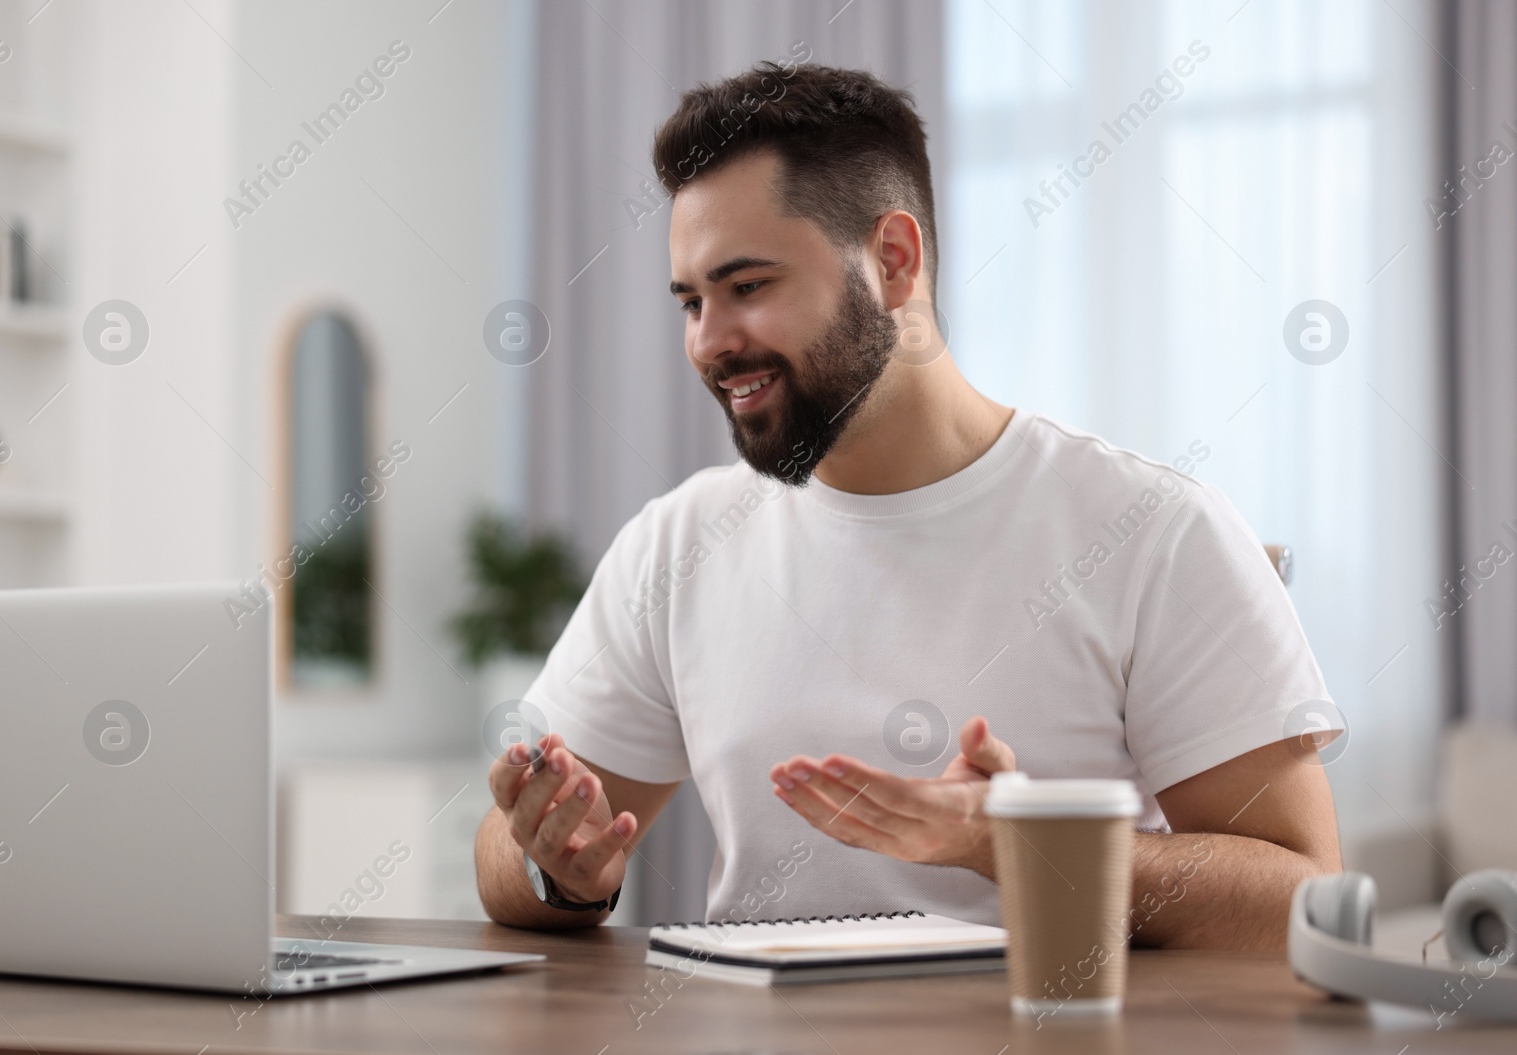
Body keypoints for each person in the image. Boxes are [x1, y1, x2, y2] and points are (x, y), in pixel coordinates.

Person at [474, 60, 1342, 950]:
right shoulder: (678, 543)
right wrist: (556, 868)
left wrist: (1021, 847)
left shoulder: (1154, 531)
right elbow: (511, 856)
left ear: (893, 259)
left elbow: (1302, 895)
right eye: (691, 301)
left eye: (747, 287)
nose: (709, 342)